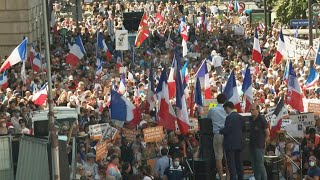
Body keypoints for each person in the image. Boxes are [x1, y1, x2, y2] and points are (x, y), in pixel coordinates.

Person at [220, 101, 244, 180]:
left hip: (230, 145)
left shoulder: (229, 117)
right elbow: (243, 129)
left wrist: (221, 130)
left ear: (227, 108)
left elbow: (227, 130)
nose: (225, 111)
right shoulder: (240, 117)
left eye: (225, 110)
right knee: (239, 163)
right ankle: (241, 178)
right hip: (239, 143)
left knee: (231, 165)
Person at [207, 93, 229, 180]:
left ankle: (221, 178)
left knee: (218, 158)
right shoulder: (229, 110)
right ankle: (228, 177)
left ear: (217, 100)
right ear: (226, 100)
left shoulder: (212, 110)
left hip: (217, 135)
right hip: (227, 135)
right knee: (228, 157)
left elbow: (207, 119)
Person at [249, 103, 269, 180]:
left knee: (260, 165)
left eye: (253, 110)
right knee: (254, 165)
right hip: (252, 144)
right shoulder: (250, 119)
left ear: (258, 110)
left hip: (259, 145)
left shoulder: (262, 119)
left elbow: (267, 133)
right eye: (250, 109)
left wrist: (264, 142)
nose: (251, 111)